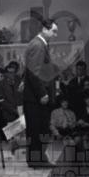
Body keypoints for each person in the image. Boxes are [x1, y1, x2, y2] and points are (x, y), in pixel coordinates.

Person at [21, 18, 59, 167]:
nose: (55, 35)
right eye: (53, 31)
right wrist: (42, 93)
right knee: (38, 130)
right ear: (44, 29)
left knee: (38, 129)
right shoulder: (38, 45)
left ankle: (37, 159)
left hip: (33, 96)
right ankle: (37, 160)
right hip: (36, 98)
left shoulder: (38, 44)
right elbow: (34, 72)